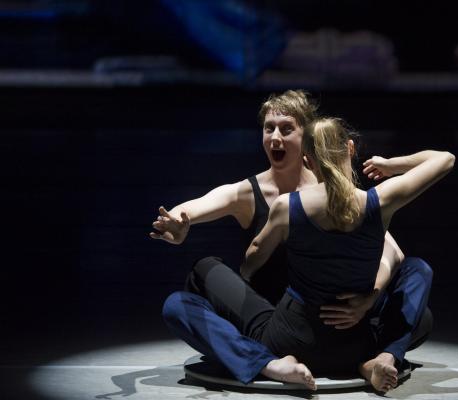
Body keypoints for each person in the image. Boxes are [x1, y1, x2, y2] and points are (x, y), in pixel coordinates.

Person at [155, 90, 434, 391]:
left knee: (421, 316)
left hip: (338, 314)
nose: (275, 137)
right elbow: (191, 209)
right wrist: (177, 223)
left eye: (286, 129)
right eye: (269, 128)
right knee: (203, 270)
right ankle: (344, 357)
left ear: (308, 140)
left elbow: (391, 251)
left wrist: (368, 299)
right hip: (273, 315)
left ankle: (365, 357)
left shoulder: (333, 192)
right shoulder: (248, 192)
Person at [242, 117, 454, 391]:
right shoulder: (379, 201)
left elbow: (254, 257)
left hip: (300, 335)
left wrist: (247, 276)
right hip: (356, 337)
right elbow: (445, 159)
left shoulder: (288, 206)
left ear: (307, 161)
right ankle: (385, 356)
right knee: (419, 287)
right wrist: (391, 165)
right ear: (350, 149)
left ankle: (371, 360)